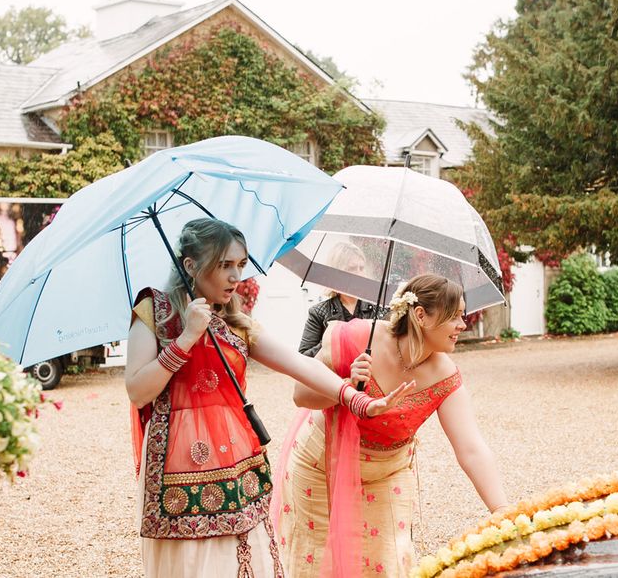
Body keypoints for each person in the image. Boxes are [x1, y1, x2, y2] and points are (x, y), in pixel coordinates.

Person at [125, 217, 415, 578]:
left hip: (239, 467)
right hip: (177, 473)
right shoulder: (154, 310)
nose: (236, 277)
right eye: (225, 266)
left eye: (241, 266)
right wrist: (186, 338)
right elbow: (138, 390)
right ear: (190, 266)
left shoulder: (235, 322)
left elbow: (299, 365)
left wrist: (356, 400)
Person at [272, 274, 508, 578]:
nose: (463, 324)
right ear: (421, 315)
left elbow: (471, 448)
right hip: (321, 468)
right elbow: (300, 395)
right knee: (320, 561)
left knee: (389, 560)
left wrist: (501, 510)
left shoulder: (445, 374)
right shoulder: (354, 337)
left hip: (388, 473)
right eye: (455, 316)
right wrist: (346, 384)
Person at [299, 242, 378, 357]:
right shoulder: (318, 313)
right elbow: (304, 358)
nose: (360, 274)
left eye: (361, 268)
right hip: (332, 375)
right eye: (352, 269)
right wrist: (333, 339)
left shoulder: (377, 310)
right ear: (336, 273)